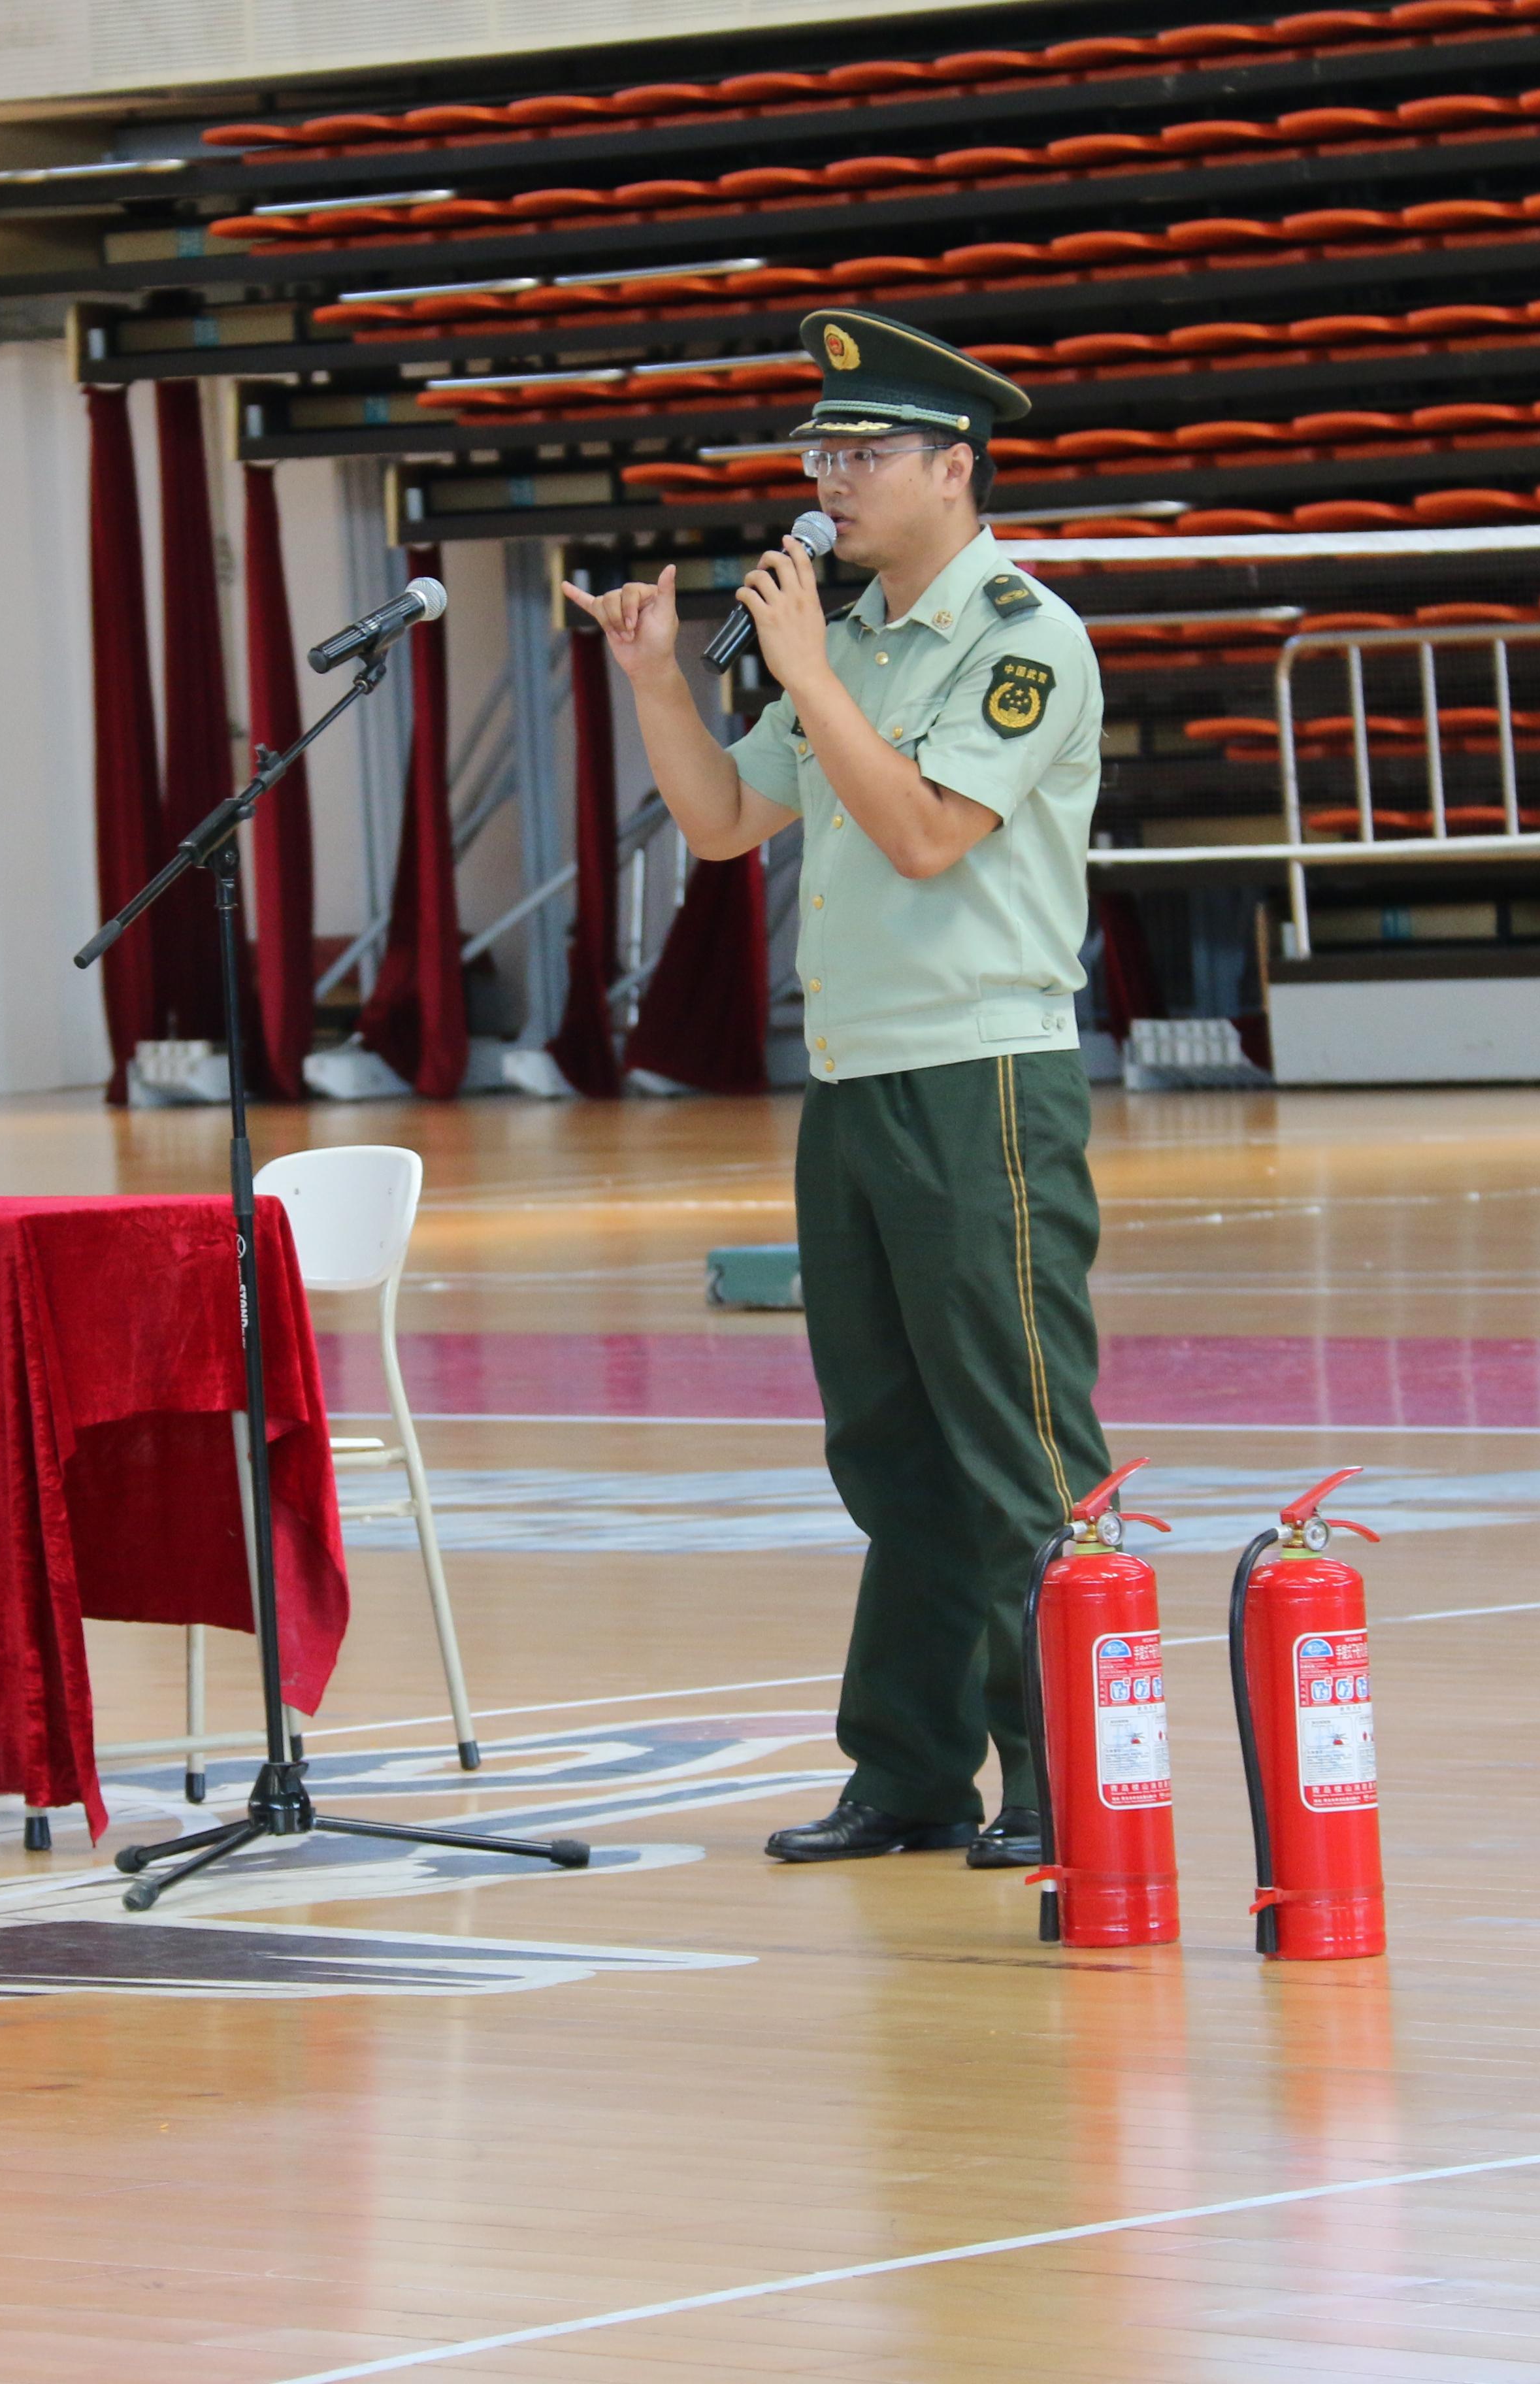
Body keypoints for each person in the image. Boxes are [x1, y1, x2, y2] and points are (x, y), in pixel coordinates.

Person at [563, 306, 1113, 1868]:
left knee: (1015, 1441)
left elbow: (927, 834)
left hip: (981, 1079)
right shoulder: (854, 643)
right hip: (857, 1079)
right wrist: (659, 683)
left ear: (955, 466)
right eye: (821, 453)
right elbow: (728, 823)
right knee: (889, 1445)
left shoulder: (1022, 636)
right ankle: (914, 1772)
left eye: (865, 452)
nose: (832, 479)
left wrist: (807, 670)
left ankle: (1066, 1775)